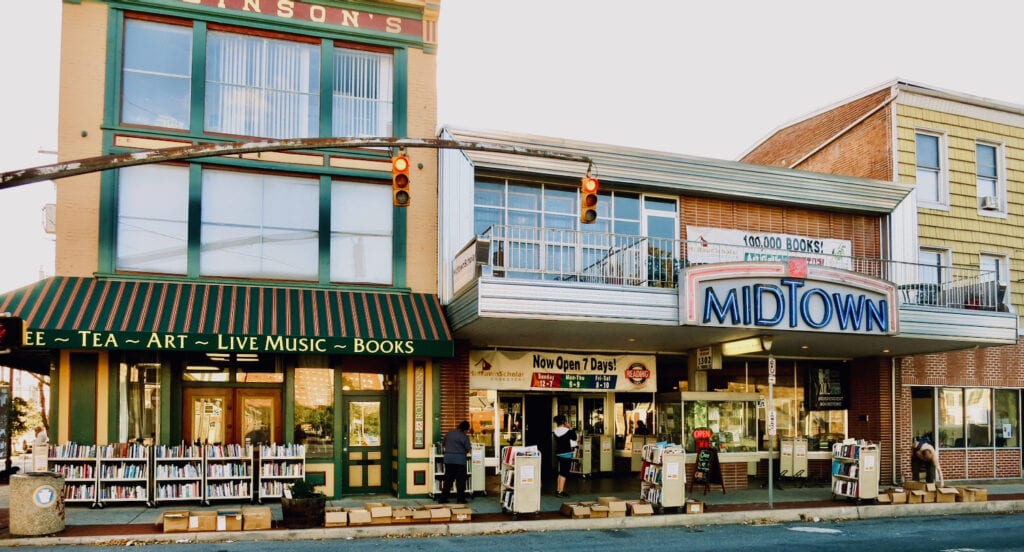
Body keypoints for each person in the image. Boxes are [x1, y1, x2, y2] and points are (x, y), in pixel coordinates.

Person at [439, 420, 472, 504]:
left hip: (448, 460)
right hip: (460, 461)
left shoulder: (449, 434)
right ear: (466, 429)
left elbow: (443, 444)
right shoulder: (464, 437)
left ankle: (443, 498)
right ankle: (460, 499)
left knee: (448, 480)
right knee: (460, 481)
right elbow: (468, 448)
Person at [553, 414, 578, 498]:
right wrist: (570, 428)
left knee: (560, 472)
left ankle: (558, 490)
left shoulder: (555, 430)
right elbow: (574, 438)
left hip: (559, 453)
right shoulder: (567, 430)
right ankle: (560, 492)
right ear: (564, 421)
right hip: (566, 453)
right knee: (564, 473)